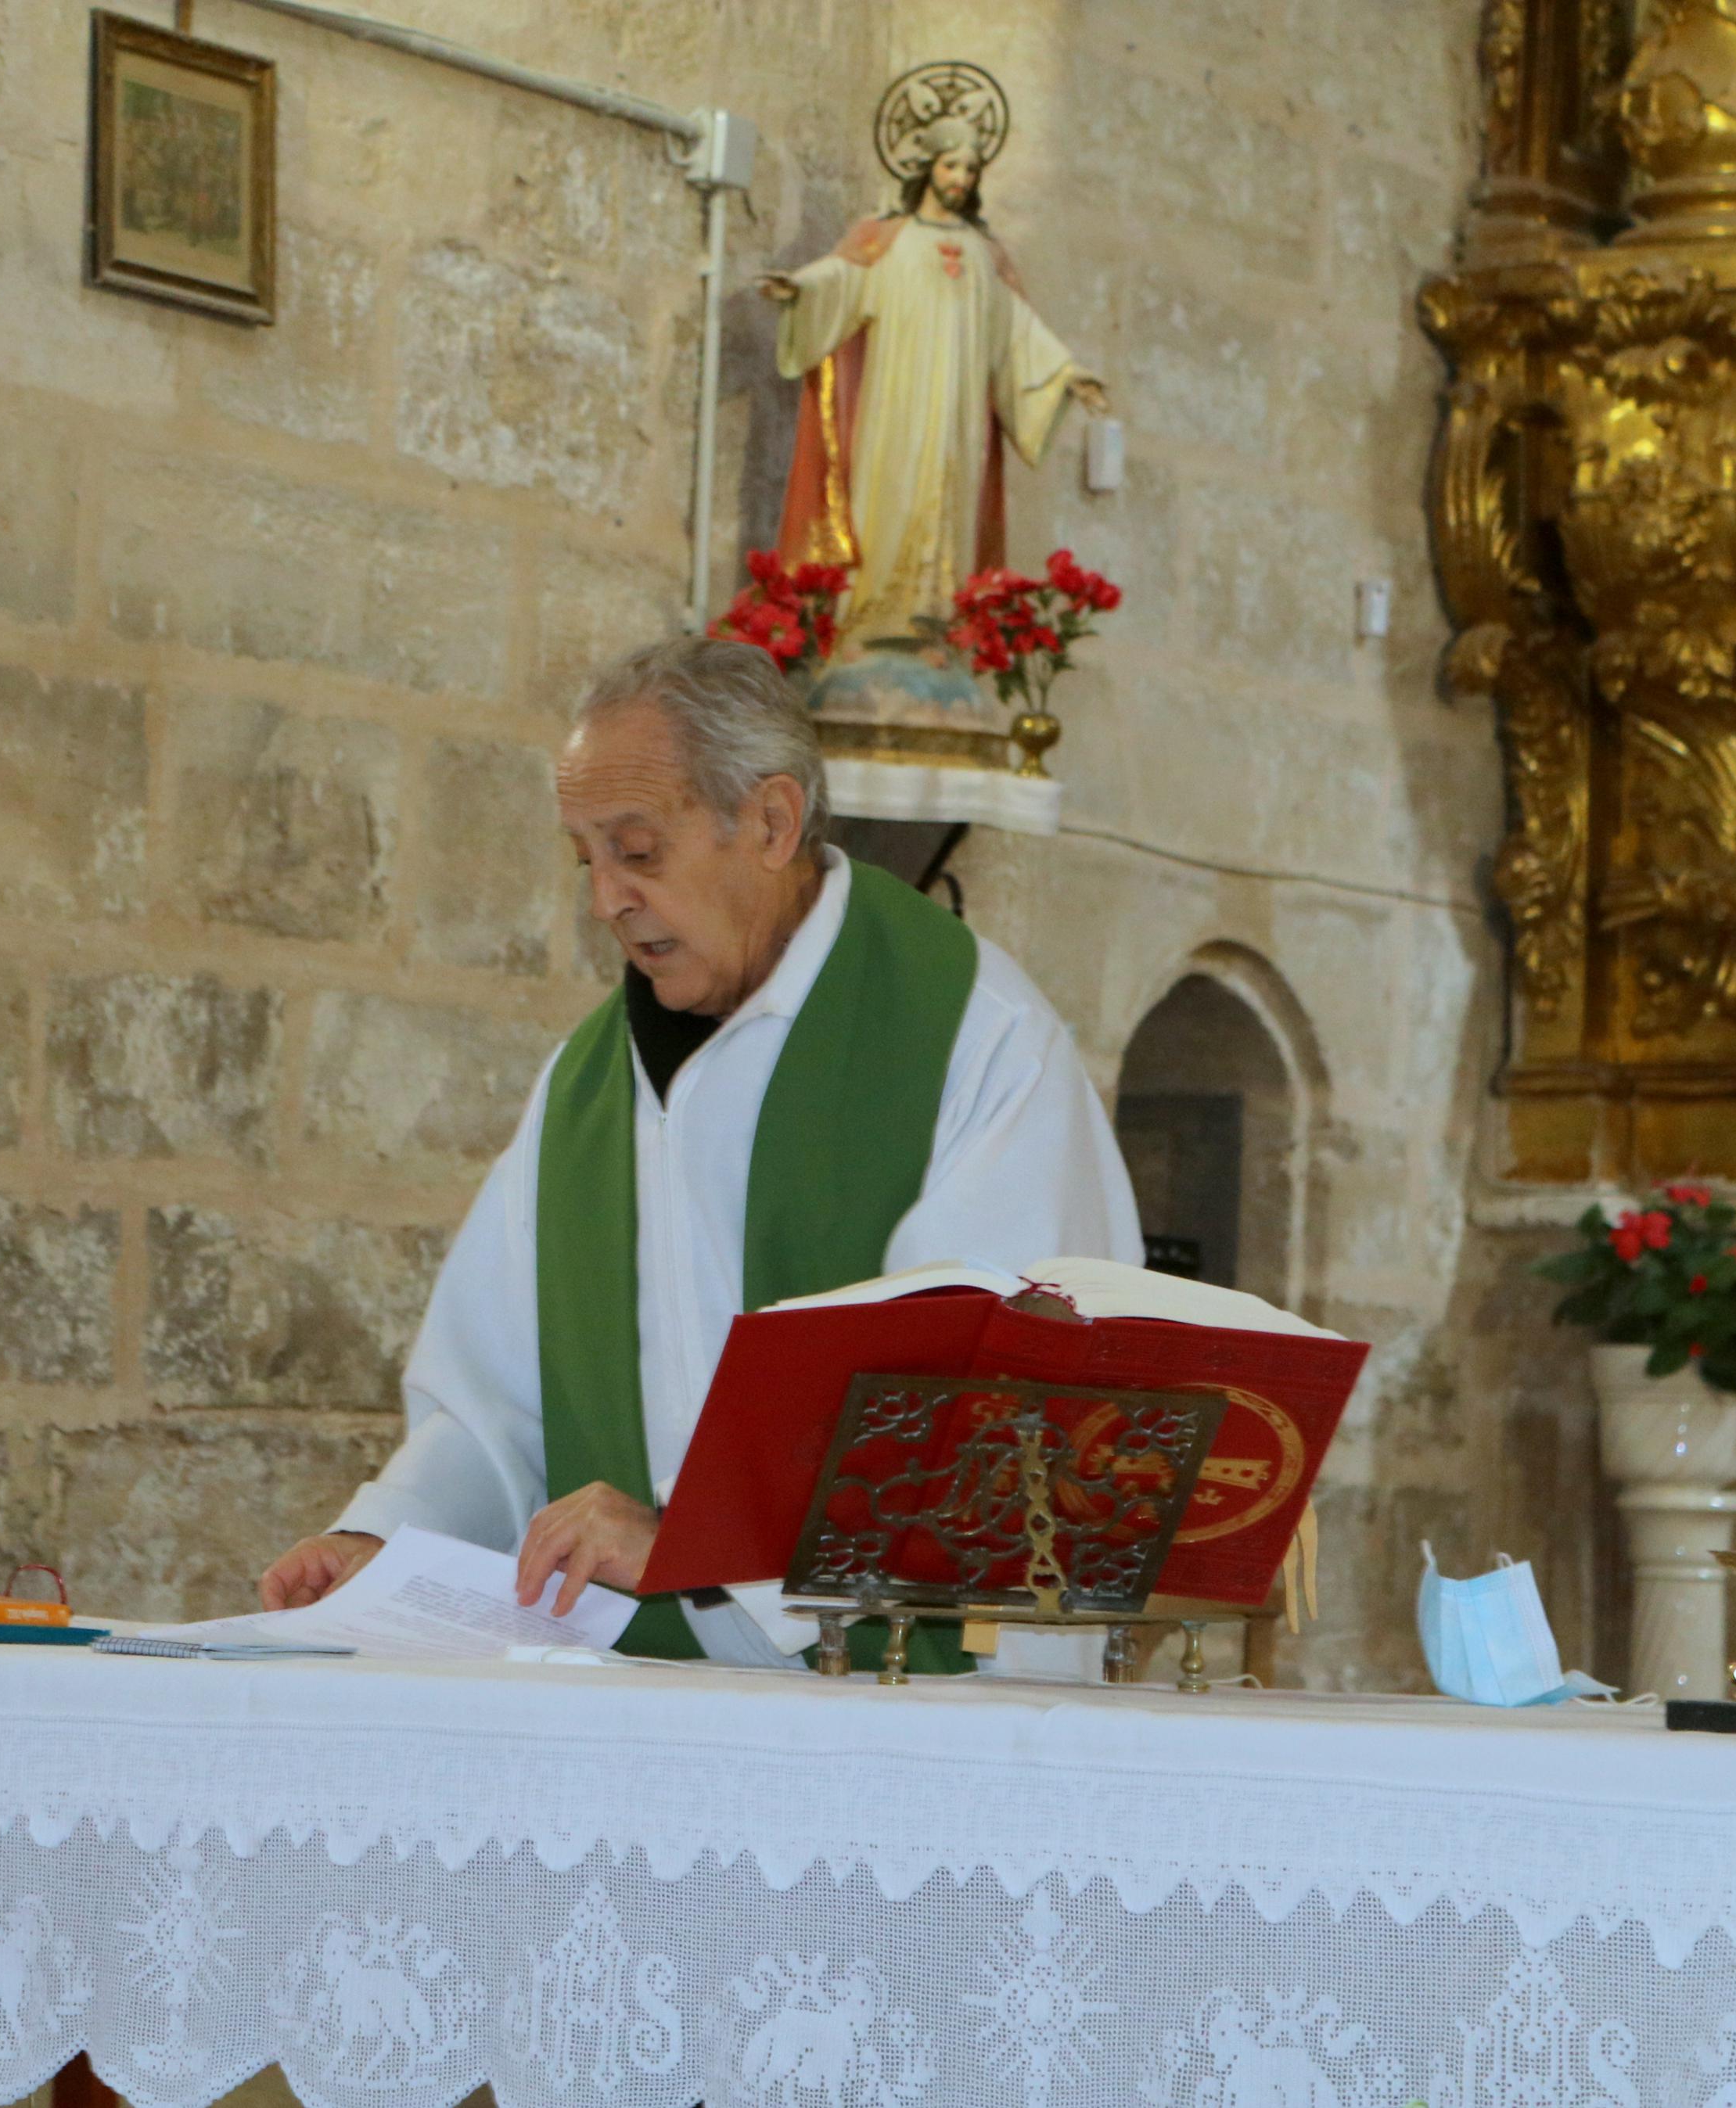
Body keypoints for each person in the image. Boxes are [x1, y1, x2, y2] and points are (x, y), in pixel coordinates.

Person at [257, 637, 1141, 1665]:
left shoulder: (973, 1041)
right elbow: (491, 1406)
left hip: (910, 1713)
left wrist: (694, 1541)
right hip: (648, 1709)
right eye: (584, 857)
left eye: (636, 850)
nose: (605, 900)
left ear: (770, 822)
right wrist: (382, 1535)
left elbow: (999, 1420)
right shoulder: (582, 1089)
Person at [758, 117, 1111, 642]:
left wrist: (1066, 375)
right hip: (895, 405)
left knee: (949, 505)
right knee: (888, 498)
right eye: (951, 165)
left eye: (970, 169)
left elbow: (1014, 328)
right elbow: (845, 278)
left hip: (958, 417)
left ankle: (939, 629)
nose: (960, 178)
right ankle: (870, 622)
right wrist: (800, 288)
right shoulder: (888, 238)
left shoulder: (982, 254)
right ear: (928, 168)